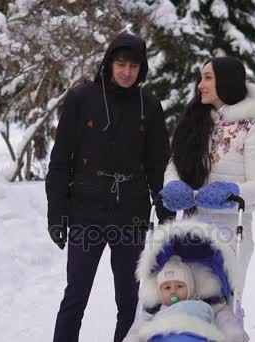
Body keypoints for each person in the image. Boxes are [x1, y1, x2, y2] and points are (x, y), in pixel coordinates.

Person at [45, 32, 171, 342]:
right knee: (76, 295)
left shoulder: (149, 105)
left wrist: (166, 212)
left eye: (134, 66)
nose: (127, 72)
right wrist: (57, 214)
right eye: (121, 64)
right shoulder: (82, 99)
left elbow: (158, 164)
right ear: (109, 63)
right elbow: (60, 162)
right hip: (86, 210)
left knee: (129, 301)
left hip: (131, 213)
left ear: (142, 68)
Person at [160, 56, 255, 302]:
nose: (200, 84)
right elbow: (174, 165)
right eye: (202, 77)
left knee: (222, 304)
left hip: (231, 231)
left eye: (208, 78)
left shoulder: (253, 128)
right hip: (191, 226)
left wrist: (231, 191)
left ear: (226, 82)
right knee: (186, 298)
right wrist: (172, 185)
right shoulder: (195, 121)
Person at [125, 256, 247, 342]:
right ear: (160, 293)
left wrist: (232, 334)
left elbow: (224, 318)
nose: (173, 291)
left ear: (191, 288)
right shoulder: (155, 311)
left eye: (179, 286)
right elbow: (137, 330)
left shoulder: (206, 305)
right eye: (167, 288)